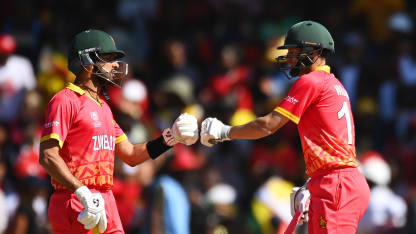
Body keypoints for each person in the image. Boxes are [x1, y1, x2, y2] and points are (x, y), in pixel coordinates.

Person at [200, 21, 370, 234]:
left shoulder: (312, 81)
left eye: (294, 51)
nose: (289, 58)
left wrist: (224, 132)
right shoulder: (334, 84)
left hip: (335, 183)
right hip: (337, 181)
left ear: (314, 50)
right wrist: (314, 183)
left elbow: (268, 125)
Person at [39, 29, 199, 234]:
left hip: (105, 199)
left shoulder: (103, 108)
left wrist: (170, 138)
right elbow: (48, 156)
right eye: (108, 58)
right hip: (76, 200)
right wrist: (82, 192)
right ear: (87, 61)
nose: (116, 65)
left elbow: (131, 155)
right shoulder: (65, 100)